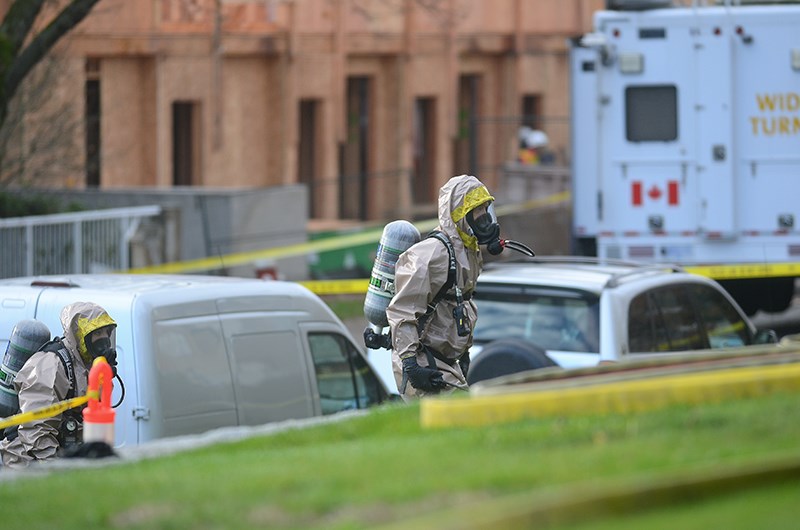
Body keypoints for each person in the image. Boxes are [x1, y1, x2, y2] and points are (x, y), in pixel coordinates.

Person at [386, 174, 502, 400]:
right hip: (423, 361)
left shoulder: (468, 251)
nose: (486, 219)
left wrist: (463, 352)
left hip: (446, 362)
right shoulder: (432, 254)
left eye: (487, 210)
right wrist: (411, 366)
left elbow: (460, 305)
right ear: (461, 214)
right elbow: (403, 310)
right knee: (462, 422)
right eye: (479, 211)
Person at [0, 302, 118, 468]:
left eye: (107, 332)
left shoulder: (91, 366)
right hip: (25, 459)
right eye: (97, 333)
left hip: (62, 452)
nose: (104, 339)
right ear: (80, 335)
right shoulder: (51, 365)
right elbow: (36, 427)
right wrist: (55, 467)